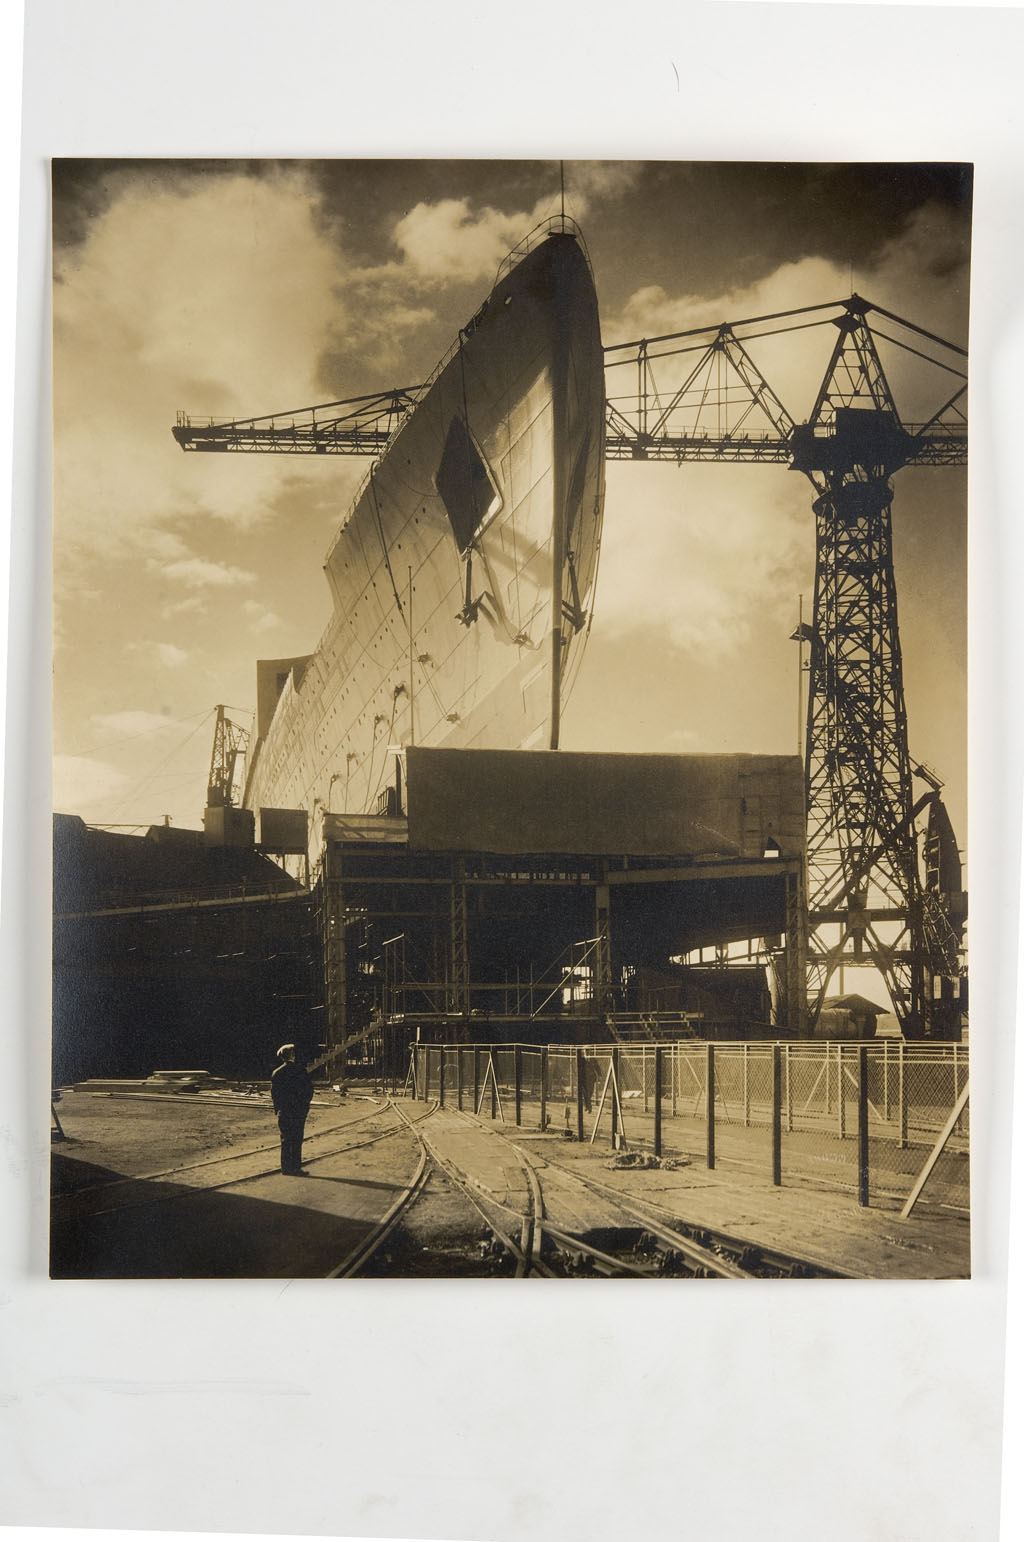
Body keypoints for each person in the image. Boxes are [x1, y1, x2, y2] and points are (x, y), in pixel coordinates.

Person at [271, 1043, 313, 1175]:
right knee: (297, 1139)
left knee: (285, 1139)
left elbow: (274, 1094)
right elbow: (309, 1090)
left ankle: (285, 1168)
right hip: (298, 1111)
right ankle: (295, 1167)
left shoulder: (277, 1073)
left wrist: (277, 1109)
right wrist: (305, 1106)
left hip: (284, 1111)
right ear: (293, 1055)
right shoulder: (301, 1070)